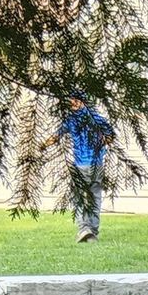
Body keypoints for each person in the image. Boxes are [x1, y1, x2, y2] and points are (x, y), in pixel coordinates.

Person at [57, 98, 114, 242]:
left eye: (73, 101)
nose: (72, 104)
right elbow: (110, 137)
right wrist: (100, 144)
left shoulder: (71, 120)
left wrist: (41, 147)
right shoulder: (98, 119)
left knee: (80, 199)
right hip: (96, 165)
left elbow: (55, 137)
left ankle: (84, 229)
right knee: (95, 198)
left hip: (80, 165)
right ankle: (92, 231)